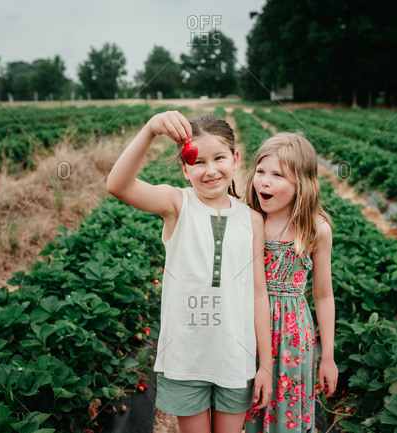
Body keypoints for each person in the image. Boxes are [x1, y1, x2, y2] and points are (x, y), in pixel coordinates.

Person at [106, 111, 272, 433]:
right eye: (198, 162)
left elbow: (258, 293)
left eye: (219, 158)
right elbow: (118, 185)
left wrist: (264, 364)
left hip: (234, 359)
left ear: (235, 159)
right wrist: (151, 129)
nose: (210, 170)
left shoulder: (251, 220)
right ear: (185, 169)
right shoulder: (177, 205)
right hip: (187, 357)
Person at [243, 132, 338, 432]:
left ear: (302, 184)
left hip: (292, 337)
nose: (264, 182)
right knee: (246, 405)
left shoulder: (315, 229)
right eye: (260, 171)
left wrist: (329, 357)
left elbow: (323, 295)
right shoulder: (246, 219)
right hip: (246, 327)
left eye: (278, 175)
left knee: (286, 411)